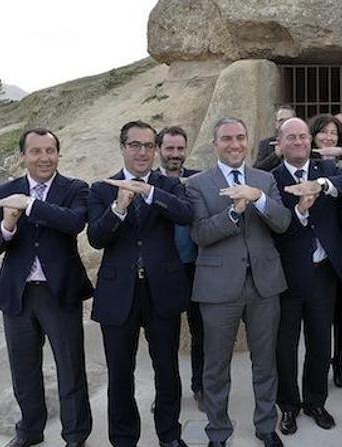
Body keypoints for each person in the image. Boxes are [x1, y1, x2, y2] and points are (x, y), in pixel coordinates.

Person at [0, 128, 93, 447]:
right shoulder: (4, 191)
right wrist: (8, 223)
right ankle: (29, 431)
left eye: (50, 151)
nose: (44, 158)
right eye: (36, 151)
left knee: (71, 369)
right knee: (24, 371)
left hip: (60, 293)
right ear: (23, 156)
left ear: (58, 153)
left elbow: (74, 223)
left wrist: (29, 204)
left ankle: (75, 436)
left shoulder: (75, 188)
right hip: (17, 295)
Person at [86, 120, 193, 447]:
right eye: (135, 145)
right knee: (120, 373)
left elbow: (185, 214)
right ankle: (123, 438)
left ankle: (169, 435)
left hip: (162, 291)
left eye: (149, 146)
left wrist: (149, 194)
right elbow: (95, 238)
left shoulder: (168, 185)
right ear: (123, 147)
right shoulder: (101, 188)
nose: (143, 152)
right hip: (119, 294)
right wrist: (119, 207)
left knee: (167, 370)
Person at [186, 116, 291, 447]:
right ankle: (218, 432)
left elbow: (283, 222)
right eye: (227, 138)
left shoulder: (264, 179)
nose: (235, 144)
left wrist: (257, 198)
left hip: (264, 285)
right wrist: (234, 212)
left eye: (240, 137)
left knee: (265, 362)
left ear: (248, 141)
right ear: (215, 144)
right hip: (218, 288)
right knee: (216, 367)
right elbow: (200, 233)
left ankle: (265, 427)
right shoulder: (197, 183)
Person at [269, 117, 342, 435]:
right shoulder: (272, 178)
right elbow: (275, 225)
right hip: (287, 276)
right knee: (285, 346)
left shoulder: (325, 170)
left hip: (323, 273)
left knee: (320, 343)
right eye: (291, 137)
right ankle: (288, 406)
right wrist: (300, 209)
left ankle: (315, 401)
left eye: (303, 136)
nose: (299, 142)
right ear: (280, 144)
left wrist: (323, 186)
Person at [156, 125, 204, 411]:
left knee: (201, 333)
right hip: (164, 270)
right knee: (165, 338)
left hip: (197, 267)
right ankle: (167, 393)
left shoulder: (198, 179)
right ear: (159, 149)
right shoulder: (149, 183)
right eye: (169, 148)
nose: (175, 154)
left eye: (180, 149)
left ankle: (200, 387)